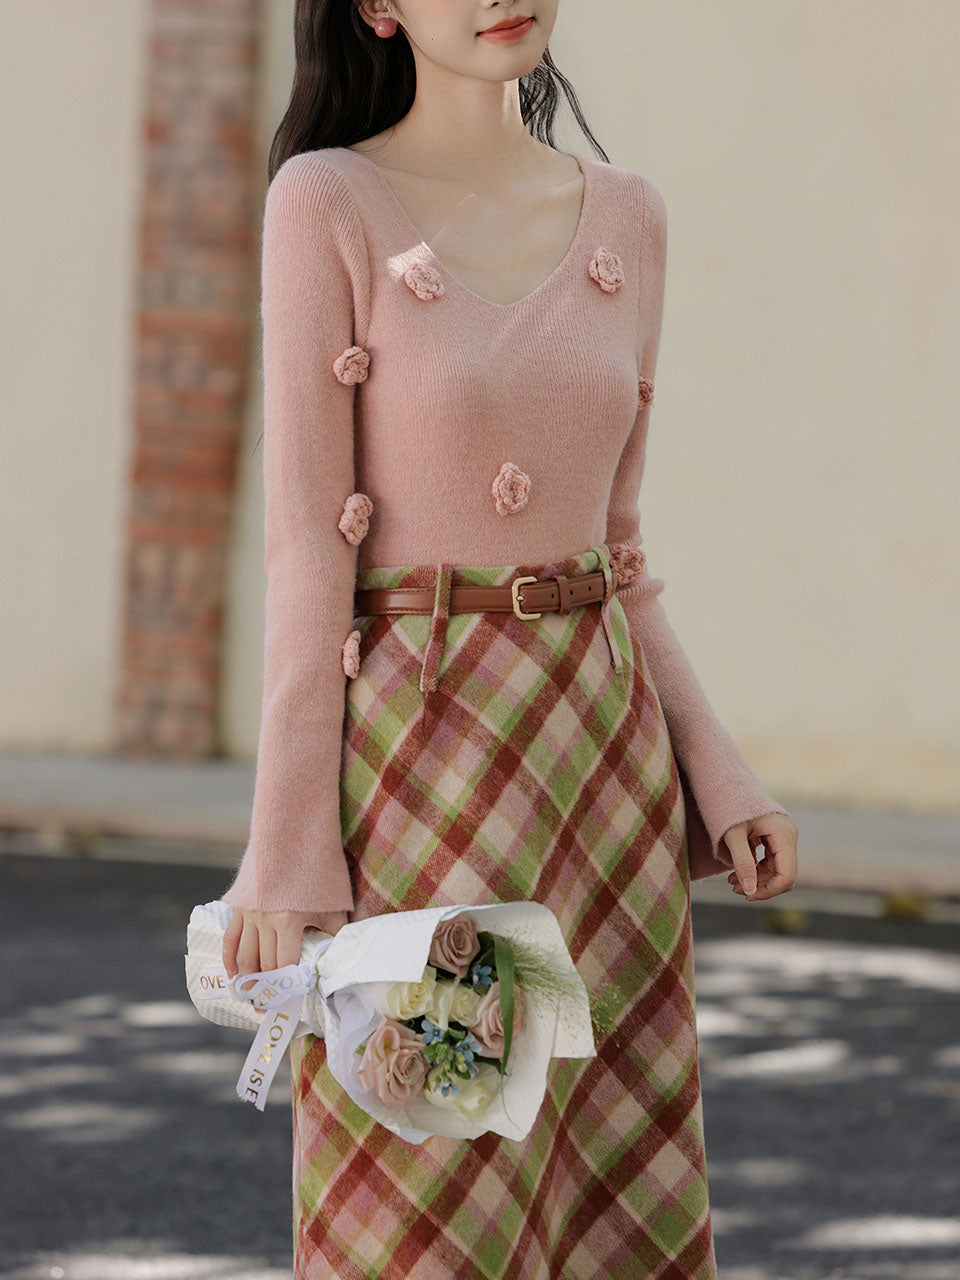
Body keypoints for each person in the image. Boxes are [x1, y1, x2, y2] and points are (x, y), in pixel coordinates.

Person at [221, 0, 799, 1275]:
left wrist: (721, 773)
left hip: (601, 767)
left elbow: (624, 553)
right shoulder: (328, 200)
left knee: (610, 1185)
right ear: (378, 6)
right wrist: (285, 850)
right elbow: (306, 555)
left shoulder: (631, 217)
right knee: (428, 1180)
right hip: (424, 765)